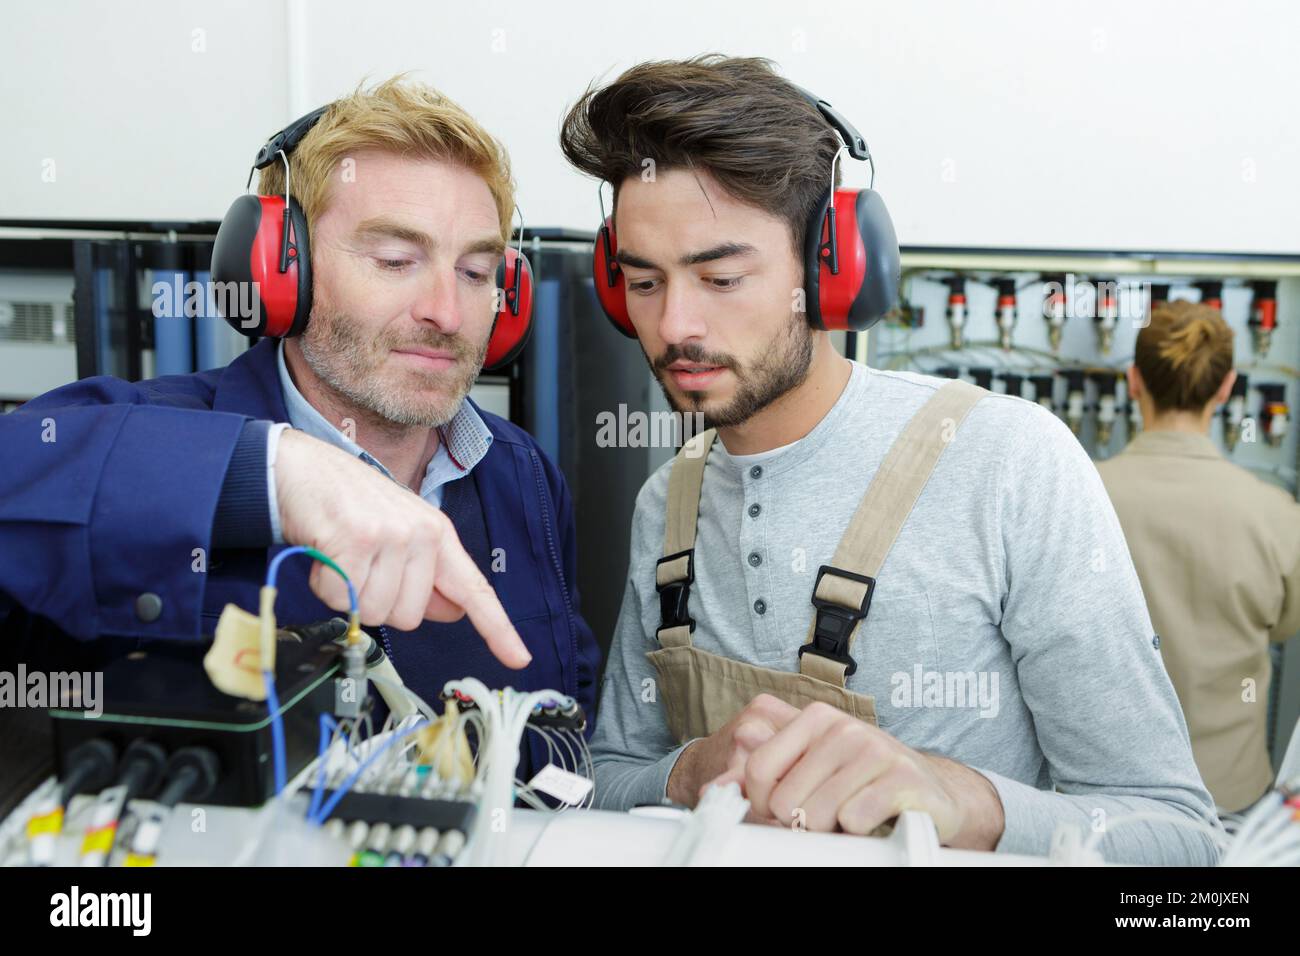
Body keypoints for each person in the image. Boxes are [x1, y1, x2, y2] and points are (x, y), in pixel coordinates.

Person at [558, 54, 1218, 863]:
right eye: (643, 282)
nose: (674, 326)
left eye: (722, 276)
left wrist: (967, 802)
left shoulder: (1007, 463)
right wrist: (689, 770)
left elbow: (1181, 838)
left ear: (831, 269)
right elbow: (610, 778)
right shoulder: (668, 503)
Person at [0, 78, 600, 806]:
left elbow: (566, 727)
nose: (447, 311)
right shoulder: (167, 430)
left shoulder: (525, 478)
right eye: (394, 261)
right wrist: (271, 474)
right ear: (283, 269)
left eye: (475, 272)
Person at [1098, 299, 1300, 813]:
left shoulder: (1078, 495)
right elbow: (1282, 628)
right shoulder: (1275, 514)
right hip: (1228, 793)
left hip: (1099, 792)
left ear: (1134, 380)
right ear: (1227, 386)